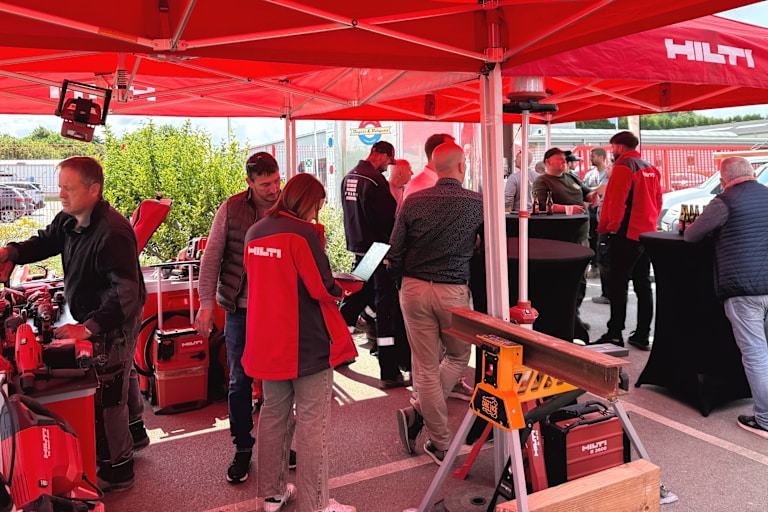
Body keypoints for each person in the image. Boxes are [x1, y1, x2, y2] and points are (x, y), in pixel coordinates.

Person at [0, 156, 145, 492]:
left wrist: (87, 328)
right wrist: (11, 253)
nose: (60, 194)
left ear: (93, 190)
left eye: (68, 187)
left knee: (109, 389)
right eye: (60, 186)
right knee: (122, 374)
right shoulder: (70, 219)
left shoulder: (113, 232)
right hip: (94, 311)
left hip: (114, 317)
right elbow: (46, 240)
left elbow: (126, 294)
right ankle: (136, 432)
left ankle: (119, 469)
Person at [244, 173, 359, 512]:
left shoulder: (254, 232)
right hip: (306, 341)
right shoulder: (303, 233)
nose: (316, 214)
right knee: (312, 427)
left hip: (266, 341)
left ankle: (272, 495)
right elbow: (321, 287)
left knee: (272, 419)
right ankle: (317, 504)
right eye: (317, 206)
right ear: (307, 201)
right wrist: (343, 289)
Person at [194, 151, 288, 484]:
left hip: (280, 311)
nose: (274, 190)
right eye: (265, 185)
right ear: (249, 183)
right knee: (240, 382)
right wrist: (206, 304)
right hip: (241, 311)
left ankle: (281, 443)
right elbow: (212, 258)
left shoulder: (287, 205)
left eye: (277, 181)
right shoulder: (231, 209)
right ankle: (243, 447)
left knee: (282, 380)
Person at [391, 141, 483, 465]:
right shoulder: (476, 203)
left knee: (426, 369)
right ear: (462, 167)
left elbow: (396, 250)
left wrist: (402, 283)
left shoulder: (413, 200)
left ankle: (437, 436)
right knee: (459, 357)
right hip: (453, 292)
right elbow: (485, 250)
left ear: (434, 165)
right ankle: (433, 435)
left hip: (414, 290)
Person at [684, 156, 768, 439]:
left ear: (724, 180)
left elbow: (692, 236)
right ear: (753, 173)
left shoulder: (724, 201)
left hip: (743, 289)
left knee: (756, 353)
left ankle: (765, 418)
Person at [340, 141, 410, 389]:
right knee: (385, 306)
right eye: (388, 163)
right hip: (378, 251)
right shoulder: (374, 182)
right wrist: (392, 252)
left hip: (359, 249)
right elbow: (388, 221)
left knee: (357, 297)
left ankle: (337, 348)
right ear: (381, 156)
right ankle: (389, 370)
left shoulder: (349, 177)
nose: (387, 168)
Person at [596, 131, 662, 349]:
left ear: (620, 148)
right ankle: (642, 334)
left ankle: (615, 333)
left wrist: (611, 228)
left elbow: (616, 202)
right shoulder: (650, 168)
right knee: (643, 285)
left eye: (612, 147)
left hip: (626, 233)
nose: (611, 151)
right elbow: (657, 201)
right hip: (647, 234)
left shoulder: (624, 167)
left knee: (618, 284)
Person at [532, 147, 598, 341]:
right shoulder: (542, 181)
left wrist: (593, 196)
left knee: (581, 280)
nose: (564, 161)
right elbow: (540, 204)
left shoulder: (572, 178)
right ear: (548, 162)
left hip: (581, 236)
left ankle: (575, 317)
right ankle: (564, 319)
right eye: (559, 159)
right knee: (564, 281)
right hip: (560, 239)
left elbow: (587, 193)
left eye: (564, 159)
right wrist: (568, 209)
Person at [584, 147, 611, 300]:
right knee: (592, 238)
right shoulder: (590, 174)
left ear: (601, 157)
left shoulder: (607, 173)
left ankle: (597, 267)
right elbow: (586, 191)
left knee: (601, 243)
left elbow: (600, 191)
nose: (591, 158)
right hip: (592, 212)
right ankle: (594, 264)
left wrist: (589, 191)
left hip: (602, 212)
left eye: (593, 156)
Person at [402, 133, 455, 201]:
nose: (457, 154)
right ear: (437, 153)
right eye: (452, 150)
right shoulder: (417, 187)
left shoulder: (449, 182)